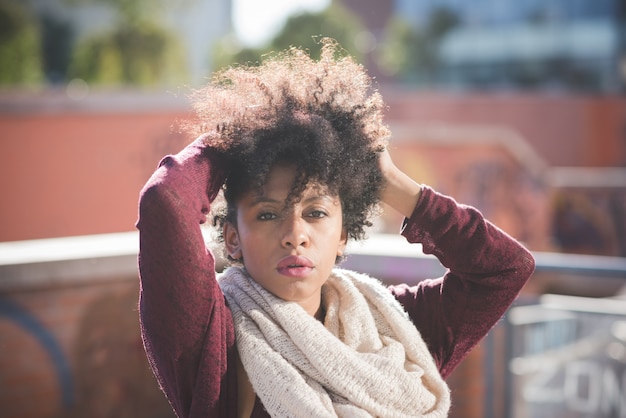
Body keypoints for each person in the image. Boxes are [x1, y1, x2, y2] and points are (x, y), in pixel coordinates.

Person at [136, 39, 535, 418]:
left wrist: (394, 185)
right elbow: (165, 205)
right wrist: (235, 139)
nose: (295, 234)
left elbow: (504, 270)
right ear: (233, 239)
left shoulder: (397, 330)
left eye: (316, 213)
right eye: (268, 214)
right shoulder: (211, 338)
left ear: (343, 235)